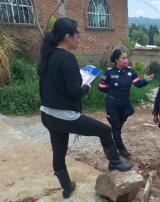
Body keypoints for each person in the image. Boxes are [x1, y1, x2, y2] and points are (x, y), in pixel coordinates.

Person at [38, 18, 133, 199]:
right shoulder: (67, 58)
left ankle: (67, 186)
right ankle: (114, 162)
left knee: (59, 152)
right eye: (77, 33)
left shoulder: (48, 55)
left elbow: (45, 88)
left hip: (47, 114)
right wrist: (87, 85)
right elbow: (75, 92)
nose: (79, 37)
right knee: (105, 130)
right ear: (68, 37)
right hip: (65, 116)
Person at [98, 49, 154, 158]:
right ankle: (121, 148)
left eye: (126, 57)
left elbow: (138, 84)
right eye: (123, 58)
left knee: (130, 111)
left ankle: (115, 126)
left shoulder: (130, 72)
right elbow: (101, 87)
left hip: (125, 103)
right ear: (116, 60)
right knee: (116, 126)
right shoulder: (109, 72)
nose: (126, 60)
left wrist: (146, 80)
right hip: (112, 103)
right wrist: (112, 92)